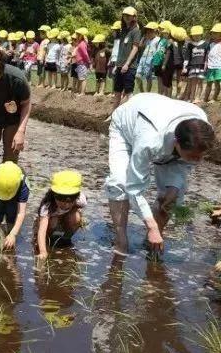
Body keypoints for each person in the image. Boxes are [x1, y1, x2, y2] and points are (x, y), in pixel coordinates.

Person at [105, 93, 215, 255]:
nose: (197, 161)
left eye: (201, 157)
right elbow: (134, 188)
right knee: (120, 182)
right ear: (177, 143)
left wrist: (174, 188)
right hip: (128, 125)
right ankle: (121, 239)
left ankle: (154, 241)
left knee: (171, 196)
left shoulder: (203, 131)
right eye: (193, 157)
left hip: (164, 118)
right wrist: (151, 225)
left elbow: (186, 164)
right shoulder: (150, 140)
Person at [34, 170, 86, 261]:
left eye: (70, 200)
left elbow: (79, 208)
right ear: (54, 195)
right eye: (61, 200)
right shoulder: (47, 206)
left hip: (66, 217)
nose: (66, 205)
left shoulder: (80, 199)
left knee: (76, 218)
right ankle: (50, 239)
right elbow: (41, 230)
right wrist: (43, 252)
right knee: (53, 222)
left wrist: (68, 213)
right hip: (52, 219)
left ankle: (65, 238)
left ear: (76, 196)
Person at [0, 161, 29, 250]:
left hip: (14, 196)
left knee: (11, 216)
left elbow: (21, 213)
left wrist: (13, 234)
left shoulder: (23, 184)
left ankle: (9, 242)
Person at [110, 7, 142, 116]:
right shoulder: (123, 31)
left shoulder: (136, 31)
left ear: (134, 17)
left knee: (129, 92)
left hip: (130, 66)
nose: (126, 17)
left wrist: (127, 64)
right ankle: (113, 114)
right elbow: (121, 49)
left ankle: (131, 116)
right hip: (119, 65)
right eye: (124, 15)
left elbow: (135, 48)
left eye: (129, 15)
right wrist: (117, 64)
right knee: (117, 92)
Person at [183, 25, 208, 103]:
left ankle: (197, 97)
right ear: (192, 36)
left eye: (198, 35)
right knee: (193, 82)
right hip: (192, 66)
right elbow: (187, 56)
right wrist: (185, 66)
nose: (196, 37)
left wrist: (206, 64)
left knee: (200, 82)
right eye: (194, 35)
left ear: (201, 35)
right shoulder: (190, 45)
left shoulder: (205, 44)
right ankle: (191, 97)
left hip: (201, 65)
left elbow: (207, 55)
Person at [135, 22, 159, 93]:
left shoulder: (158, 40)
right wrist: (143, 37)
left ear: (155, 31)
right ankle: (142, 91)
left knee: (149, 78)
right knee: (137, 76)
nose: (148, 32)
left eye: (150, 31)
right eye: (147, 30)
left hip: (150, 60)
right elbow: (140, 46)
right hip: (143, 59)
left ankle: (147, 93)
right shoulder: (147, 39)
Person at [152, 21, 172, 95]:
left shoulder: (168, 41)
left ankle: (164, 94)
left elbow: (168, 52)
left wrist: (164, 64)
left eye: (166, 33)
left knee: (164, 79)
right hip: (157, 61)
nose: (164, 34)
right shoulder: (160, 39)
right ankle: (159, 93)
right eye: (163, 32)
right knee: (159, 78)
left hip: (162, 62)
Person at [204, 23, 221, 102]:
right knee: (209, 83)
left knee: (217, 83)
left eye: (215, 33)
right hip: (210, 66)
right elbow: (208, 54)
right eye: (212, 33)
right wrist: (206, 64)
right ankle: (205, 98)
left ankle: (214, 98)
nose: (213, 35)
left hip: (218, 67)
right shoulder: (210, 44)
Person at [74, 27, 90, 96]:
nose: (76, 36)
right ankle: (81, 91)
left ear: (81, 36)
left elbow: (85, 54)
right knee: (81, 77)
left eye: (78, 35)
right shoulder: (80, 43)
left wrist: (88, 61)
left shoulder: (82, 44)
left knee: (83, 78)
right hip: (80, 63)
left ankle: (82, 92)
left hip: (82, 63)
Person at [107, 21, 122, 93]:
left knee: (117, 77)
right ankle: (113, 91)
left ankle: (117, 92)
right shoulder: (116, 40)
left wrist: (117, 65)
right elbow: (114, 51)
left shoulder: (121, 41)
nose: (113, 32)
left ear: (118, 31)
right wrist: (110, 59)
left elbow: (120, 53)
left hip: (117, 61)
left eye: (114, 31)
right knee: (113, 77)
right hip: (113, 59)